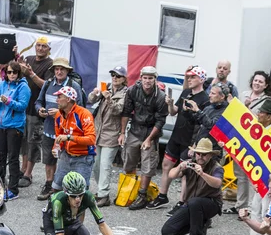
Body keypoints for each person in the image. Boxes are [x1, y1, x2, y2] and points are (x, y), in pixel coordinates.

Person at [149, 66, 210, 210]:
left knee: (185, 173)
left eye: (192, 77)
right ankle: (162, 196)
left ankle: (182, 203)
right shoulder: (186, 92)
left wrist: (196, 145)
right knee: (166, 165)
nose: (189, 79)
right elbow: (173, 112)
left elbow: (204, 125)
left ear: (201, 79)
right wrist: (170, 104)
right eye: (188, 77)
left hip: (190, 141)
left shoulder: (205, 99)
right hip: (176, 136)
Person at [168, 82, 230, 216]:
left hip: (212, 150)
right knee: (188, 173)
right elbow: (198, 123)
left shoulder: (226, 111)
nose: (210, 95)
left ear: (222, 97)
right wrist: (188, 112)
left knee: (205, 182)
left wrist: (198, 111)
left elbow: (212, 125)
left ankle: (204, 211)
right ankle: (184, 203)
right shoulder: (211, 106)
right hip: (199, 147)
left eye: (213, 93)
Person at [236, 99, 271, 235]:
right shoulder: (265, 128)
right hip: (262, 178)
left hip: (270, 180)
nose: (258, 114)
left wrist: (263, 182)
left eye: (261, 112)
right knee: (256, 207)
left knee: (267, 211)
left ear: (269, 117)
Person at [224, 70, 271, 215]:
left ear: (266, 85)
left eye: (261, 81)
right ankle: (240, 205)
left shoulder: (267, 101)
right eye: (255, 80)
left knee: (252, 174)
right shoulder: (244, 94)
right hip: (241, 139)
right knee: (239, 174)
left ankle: (253, 208)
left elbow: (259, 121)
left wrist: (246, 107)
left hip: (255, 141)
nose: (257, 83)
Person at [35, 57, 85, 201]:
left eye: (62, 69)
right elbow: (38, 102)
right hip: (49, 129)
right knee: (49, 160)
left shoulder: (73, 85)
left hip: (66, 132)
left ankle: (64, 188)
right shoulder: (48, 84)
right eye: (56, 69)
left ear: (67, 71)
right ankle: (49, 185)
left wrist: (60, 113)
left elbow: (79, 110)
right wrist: (40, 109)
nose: (59, 71)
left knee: (65, 161)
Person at [120, 66, 169, 210]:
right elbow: (126, 112)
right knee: (129, 161)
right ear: (140, 78)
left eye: (151, 78)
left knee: (148, 166)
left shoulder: (160, 97)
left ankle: (142, 195)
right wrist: (122, 133)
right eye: (145, 78)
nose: (147, 81)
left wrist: (149, 139)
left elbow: (161, 121)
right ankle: (129, 190)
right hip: (135, 129)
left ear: (155, 79)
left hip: (151, 132)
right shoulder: (132, 90)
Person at [161, 138, 223, 235]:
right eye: (198, 153)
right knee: (167, 231)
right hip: (191, 204)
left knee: (195, 202)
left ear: (210, 155)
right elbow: (171, 175)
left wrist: (202, 174)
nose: (200, 157)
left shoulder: (216, 167)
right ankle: (200, 224)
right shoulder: (190, 163)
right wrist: (180, 167)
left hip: (211, 203)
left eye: (204, 154)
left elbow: (217, 183)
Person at [0, 61, 31, 200]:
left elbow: (22, 106)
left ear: (19, 73)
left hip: (15, 126)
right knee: (0, 156)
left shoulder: (23, 86)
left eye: (14, 72)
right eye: (9, 72)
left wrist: (8, 101)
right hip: (1, 125)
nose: (11, 74)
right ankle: (0, 185)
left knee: (13, 157)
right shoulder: (2, 84)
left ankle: (13, 189)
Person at [88, 66, 128, 207]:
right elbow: (91, 100)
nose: (115, 78)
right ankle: (100, 192)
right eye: (113, 75)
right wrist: (95, 93)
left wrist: (109, 98)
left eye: (118, 76)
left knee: (105, 165)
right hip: (98, 131)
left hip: (112, 133)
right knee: (96, 165)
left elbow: (118, 110)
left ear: (124, 79)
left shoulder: (125, 93)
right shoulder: (108, 88)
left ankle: (104, 195)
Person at [18, 36, 54, 188]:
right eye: (38, 45)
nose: (40, 48)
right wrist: (17, 63)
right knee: (23, 141)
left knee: (33, 142)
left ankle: (28, 174)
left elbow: (46, 86)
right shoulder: (29, 58)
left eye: (43, 46)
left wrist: (31, 74)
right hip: (22, 107)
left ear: (49, 49)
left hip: (37, 109)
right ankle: (22, 169)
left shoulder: (51, 65)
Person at [51, 86, 96, 194]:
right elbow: (59, 136)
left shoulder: (84, 114)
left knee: (80, 193)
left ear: (68, 99)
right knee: (57, 188)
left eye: (59, 97)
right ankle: (57, 211)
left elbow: (91, 139)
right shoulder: (58, 114)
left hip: (83, 158)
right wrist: (56, 148)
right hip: (65, 156)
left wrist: (69, 137)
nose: (56, 100)